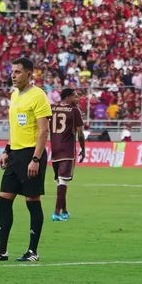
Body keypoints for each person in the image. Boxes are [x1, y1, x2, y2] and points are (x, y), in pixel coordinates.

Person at [0, 57, 51, 263]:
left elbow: (44, 131)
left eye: (18, 72)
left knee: (32, 202)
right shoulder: (15, 95)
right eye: (12, 72)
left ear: (29, 74)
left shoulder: (39, 96)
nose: (13, 75)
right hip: (15, 155)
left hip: (31, 155)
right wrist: (6, 150)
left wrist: (35, 158)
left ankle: (32, 251)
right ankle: (1, 251)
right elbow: (15, 128)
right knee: (3, 200)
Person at [49, 88, 85, 222]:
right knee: (63, 181)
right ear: (67, 97)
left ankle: (64, 211)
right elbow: (80, 133)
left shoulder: (52, 109)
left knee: (60, 181)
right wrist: (83, 149)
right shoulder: (75, 111)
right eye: (75, 97)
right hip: (67, 150)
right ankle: (56, 213)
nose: (77, 99)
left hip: (55, 149)